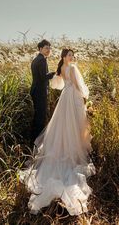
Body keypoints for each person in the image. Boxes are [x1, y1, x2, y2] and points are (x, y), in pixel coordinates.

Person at [18, 48, 96, 216]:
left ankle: (63, 146)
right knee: (74, 124)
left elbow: (57, 84)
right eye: (69, 55)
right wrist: (85, 97)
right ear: (64, 56)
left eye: (73, 55)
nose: (72, 57)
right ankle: (73, 149)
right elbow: (78, 86)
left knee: (62, 124)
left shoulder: (61, 68)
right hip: (73, 97)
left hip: (64, 97)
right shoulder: (73, 68)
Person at [29, 39, 56, 145]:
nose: (48, 50)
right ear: (40, 49)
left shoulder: (36, 59)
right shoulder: (42, 60)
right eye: (46, 48)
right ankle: (37, 142)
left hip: (35, 90)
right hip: (40, 92)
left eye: (49, 48)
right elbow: (43, 77)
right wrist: (55, 72)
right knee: (40, 117)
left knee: (37, 116)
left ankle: (34, 139)